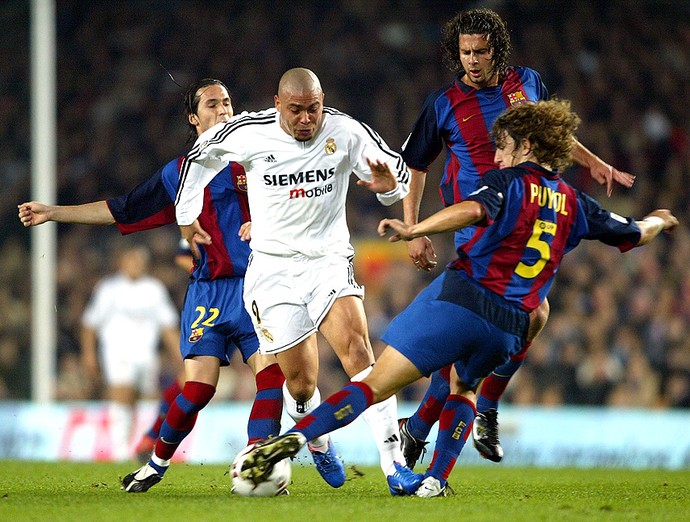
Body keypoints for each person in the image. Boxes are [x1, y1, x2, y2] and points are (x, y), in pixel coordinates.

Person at [237, 98, 678, 498]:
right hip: (510, 327)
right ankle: (436, 481)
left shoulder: (508, 182)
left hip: (462, 301)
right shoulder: (576, 202)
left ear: (525, 145)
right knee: (463, 387)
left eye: (502, 147)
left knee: (371, 384)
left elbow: (474, 209)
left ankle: (294, 439)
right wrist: (660, 219)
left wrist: (417, 228)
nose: (497, 156)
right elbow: (636, 232)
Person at [18, 78, 286, 491]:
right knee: (197, 388)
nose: (223, 111)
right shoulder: (178, 175)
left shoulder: (261, 159)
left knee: (271, 377)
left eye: (228, 102)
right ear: (194, 119)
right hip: (209, 293)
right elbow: (121, 209)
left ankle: (258, 459)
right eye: (212, 105)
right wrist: (53, 212)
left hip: (258, 287)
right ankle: (155, 464)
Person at [397, 8, 637, 466]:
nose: (472, 60)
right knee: (523, 312)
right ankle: (475, 409)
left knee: (525, 318)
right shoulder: (444, 102)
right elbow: (416, 166)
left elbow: (554, 135)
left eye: (481, 51)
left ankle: (433, 422)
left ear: (497, 50)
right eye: (465, 52)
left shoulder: (526, 83)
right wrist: (413, 229)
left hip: (526, 216)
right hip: (477, 223)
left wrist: (593, 163)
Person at [175, 68, 410, 490]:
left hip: (328, 262)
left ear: (323, 102)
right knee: (300, 386)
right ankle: (318, 442)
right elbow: (198, 158)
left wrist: (388, 189)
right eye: (297, 110)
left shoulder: (346, 131)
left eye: (313, 110)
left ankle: (395, 467)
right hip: (272, 272)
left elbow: (399, 175)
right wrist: (185, 216)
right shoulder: (249, 130)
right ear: (278, 103)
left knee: (358, 351)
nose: (306, 120)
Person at [80, 243, 180, 461]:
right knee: (122, 392)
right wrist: (88, 354)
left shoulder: (154, 289)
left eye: (139, 261)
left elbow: (168, 326)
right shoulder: (109, 289)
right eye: (131, 260)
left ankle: (139, 444)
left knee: (141, 397)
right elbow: (90, 324)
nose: (135, 265)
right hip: (117, 351)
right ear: (122, 262)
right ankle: (120, 449)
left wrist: (180, 356)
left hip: (145, 354)